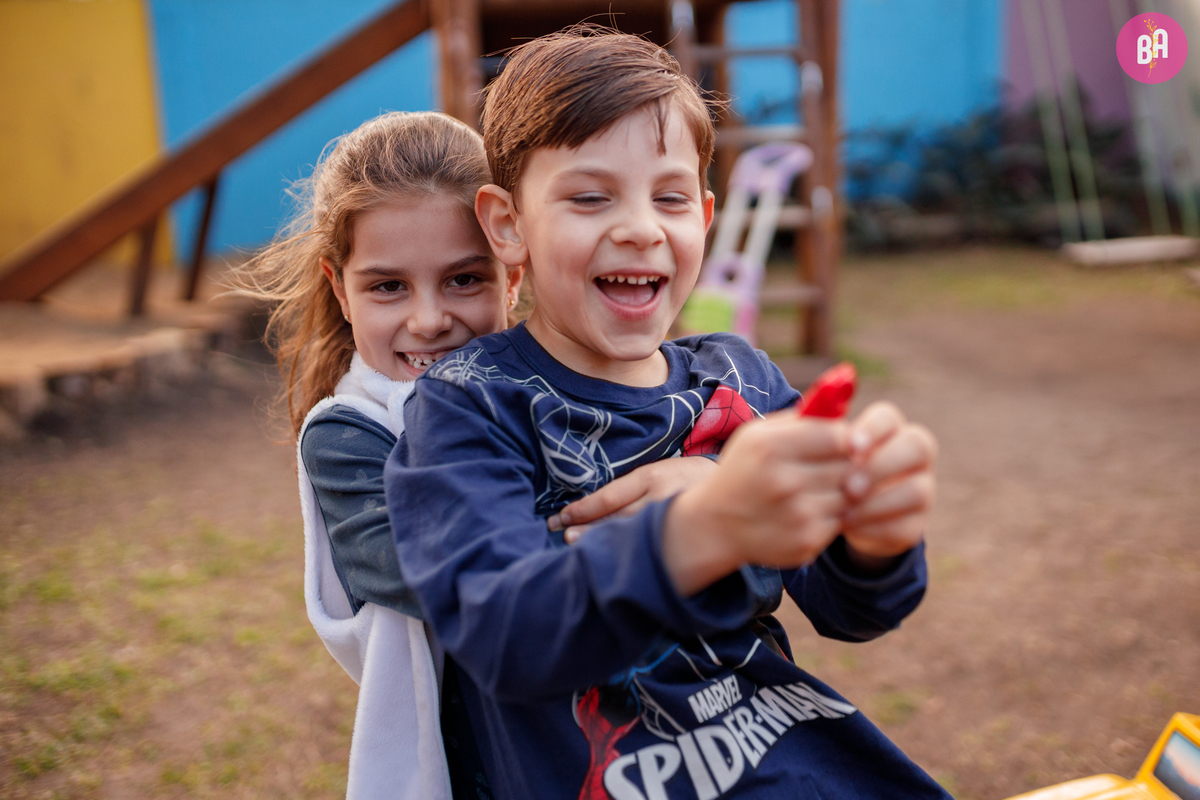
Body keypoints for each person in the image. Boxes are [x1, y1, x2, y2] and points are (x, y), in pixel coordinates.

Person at [385, 30, 950, 800]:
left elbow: (852, 608)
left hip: (791, 763)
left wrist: (874, 538)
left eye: (671, 197)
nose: (642, 228)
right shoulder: (468, 403)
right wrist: (706, 526)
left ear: (706, 218)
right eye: (589, 197)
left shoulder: (740, 379)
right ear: (508, 224)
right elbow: (503, 633)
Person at [239, 110, 718, 800]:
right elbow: (445, 573)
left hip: (631, 729)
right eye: (387, 286)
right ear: (340, 288)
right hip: (486, 753)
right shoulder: (346, 434)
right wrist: (674, 540)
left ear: (511, 268)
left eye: (464, 279)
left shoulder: (550, 388)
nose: (430, 319)